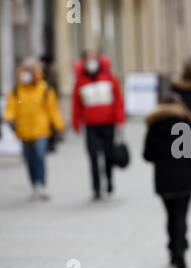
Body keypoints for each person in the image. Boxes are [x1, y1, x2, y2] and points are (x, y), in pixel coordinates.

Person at [143, 95, 191, 268]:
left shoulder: (154, 126)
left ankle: (173, 248)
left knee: (170, 215)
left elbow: (147, 155)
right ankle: (180, 248)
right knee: (181, 215)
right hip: (184, 178)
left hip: (163, 179)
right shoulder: (186, 125)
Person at [3, 58, 65, 200]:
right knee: (29, 158)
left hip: (41, 130)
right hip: (24, 130)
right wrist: (9, 118)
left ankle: (41, 185)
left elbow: (52, 109)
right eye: (25, 70)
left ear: (36, 72)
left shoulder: (44, 89)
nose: (27, 74)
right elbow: (13, 106)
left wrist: (59, 126)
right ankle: (33, 184)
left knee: (39, 156)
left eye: (30, 71)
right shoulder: (18, 91)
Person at [72, 51, 125, 201]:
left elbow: (118, 101)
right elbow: (77, 105)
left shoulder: (109, 78)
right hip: (90, 125)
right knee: (93, 156)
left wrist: (119, 119)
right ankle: (96, 187)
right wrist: (76, 122)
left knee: (108, 155)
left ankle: (108, 180)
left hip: (108, 123)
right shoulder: (80, 81)